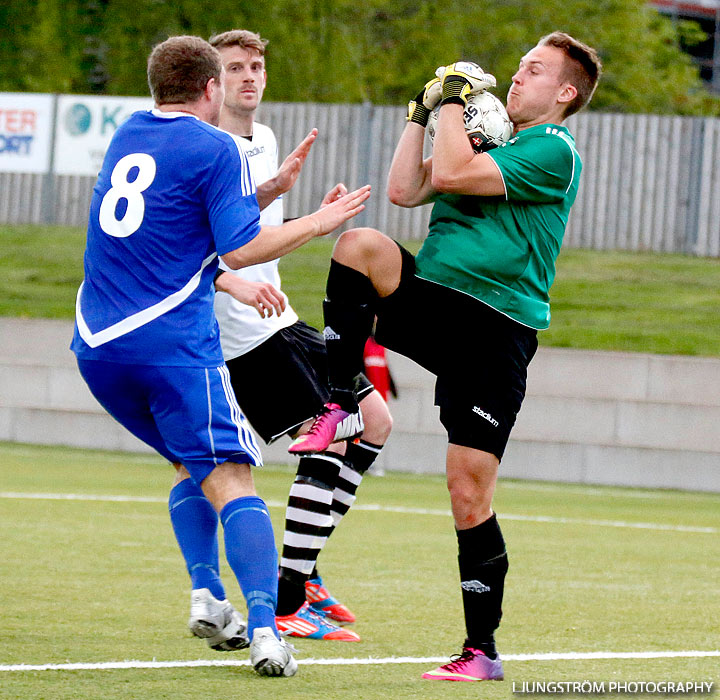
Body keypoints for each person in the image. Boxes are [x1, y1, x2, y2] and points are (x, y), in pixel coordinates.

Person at [291, 32, 602, 681]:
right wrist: (420, 112)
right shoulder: (492, 140)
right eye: (518, 69)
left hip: (496, 331)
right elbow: (406, 189)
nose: (517, 79)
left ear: (565, 92)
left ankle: (480, 651)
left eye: (535, 71)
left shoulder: (552, 150)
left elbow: (455, 173)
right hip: (441, 304)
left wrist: (454, 103)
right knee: (361, 245)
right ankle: (340, 401)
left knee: (468, 492)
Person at [70, 35, 370, 677]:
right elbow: (238, 253)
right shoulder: (219, 146)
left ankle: (209, 597)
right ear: (212, 88)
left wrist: (265, 193)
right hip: (171, 346)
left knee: (191, 465)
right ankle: (268, 631)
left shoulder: (129, 132)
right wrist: (322, 221)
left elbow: (185, 221)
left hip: (97, 349)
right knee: (234, 477)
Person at [206, 29, 393, 642]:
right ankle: (288, 601)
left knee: (375, 419)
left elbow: (256, 234)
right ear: (213, 80)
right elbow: (197, 247)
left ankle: (304, 574)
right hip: (242, 335)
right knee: (332, 434)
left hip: (279, 320)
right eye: (235, 68)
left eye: (256, 66)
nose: (249, 77)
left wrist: (301, 208)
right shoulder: (205, 147)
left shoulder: (263, 140)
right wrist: (318, 224)